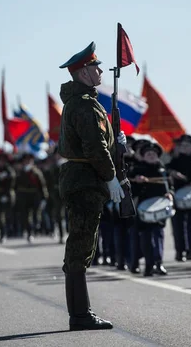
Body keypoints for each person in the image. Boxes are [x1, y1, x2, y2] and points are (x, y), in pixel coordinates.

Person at [57, 41, 127, 331]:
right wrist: (111, 176)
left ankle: (80, 313)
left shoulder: (84, 102)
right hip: (86, 181)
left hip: (83, 179)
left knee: (82, 246)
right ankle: (80, 315)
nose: (100, 71)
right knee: (81, 247)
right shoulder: (84, 105)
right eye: (95, 67)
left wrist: (117, 143)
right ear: (83, 72)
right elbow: (94, 147)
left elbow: (100, 143)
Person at [130, 142, 172, 276]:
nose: (152, 156)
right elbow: (130, 190)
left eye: (154, 154)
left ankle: (159, 263)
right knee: (146, 238)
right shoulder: (136, 169)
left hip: (159, 208)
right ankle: (149, 265)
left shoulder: (162, 169)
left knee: (159, 235)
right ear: (143, 156)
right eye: (148, 154)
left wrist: (170, 194)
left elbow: (170, 186)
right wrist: (136, 181)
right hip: (143, 209)